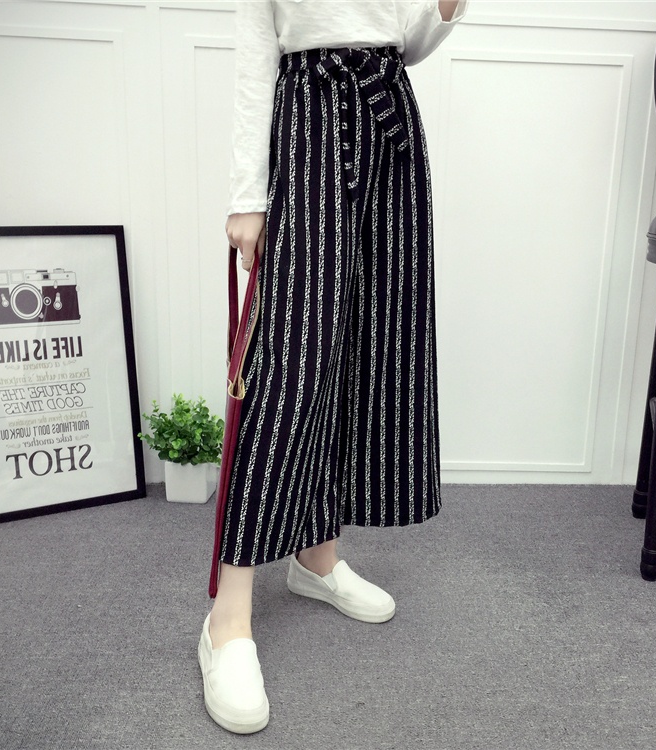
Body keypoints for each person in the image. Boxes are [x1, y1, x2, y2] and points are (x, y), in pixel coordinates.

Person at [198, 0, 469, 735]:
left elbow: (407, 38)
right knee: (291, 359)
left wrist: (446, 7)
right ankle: (228, 616)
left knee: (370, 339)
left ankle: (317, 557)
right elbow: (257, 50)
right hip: (308, 116)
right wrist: (247, 195)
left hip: (388, 114)